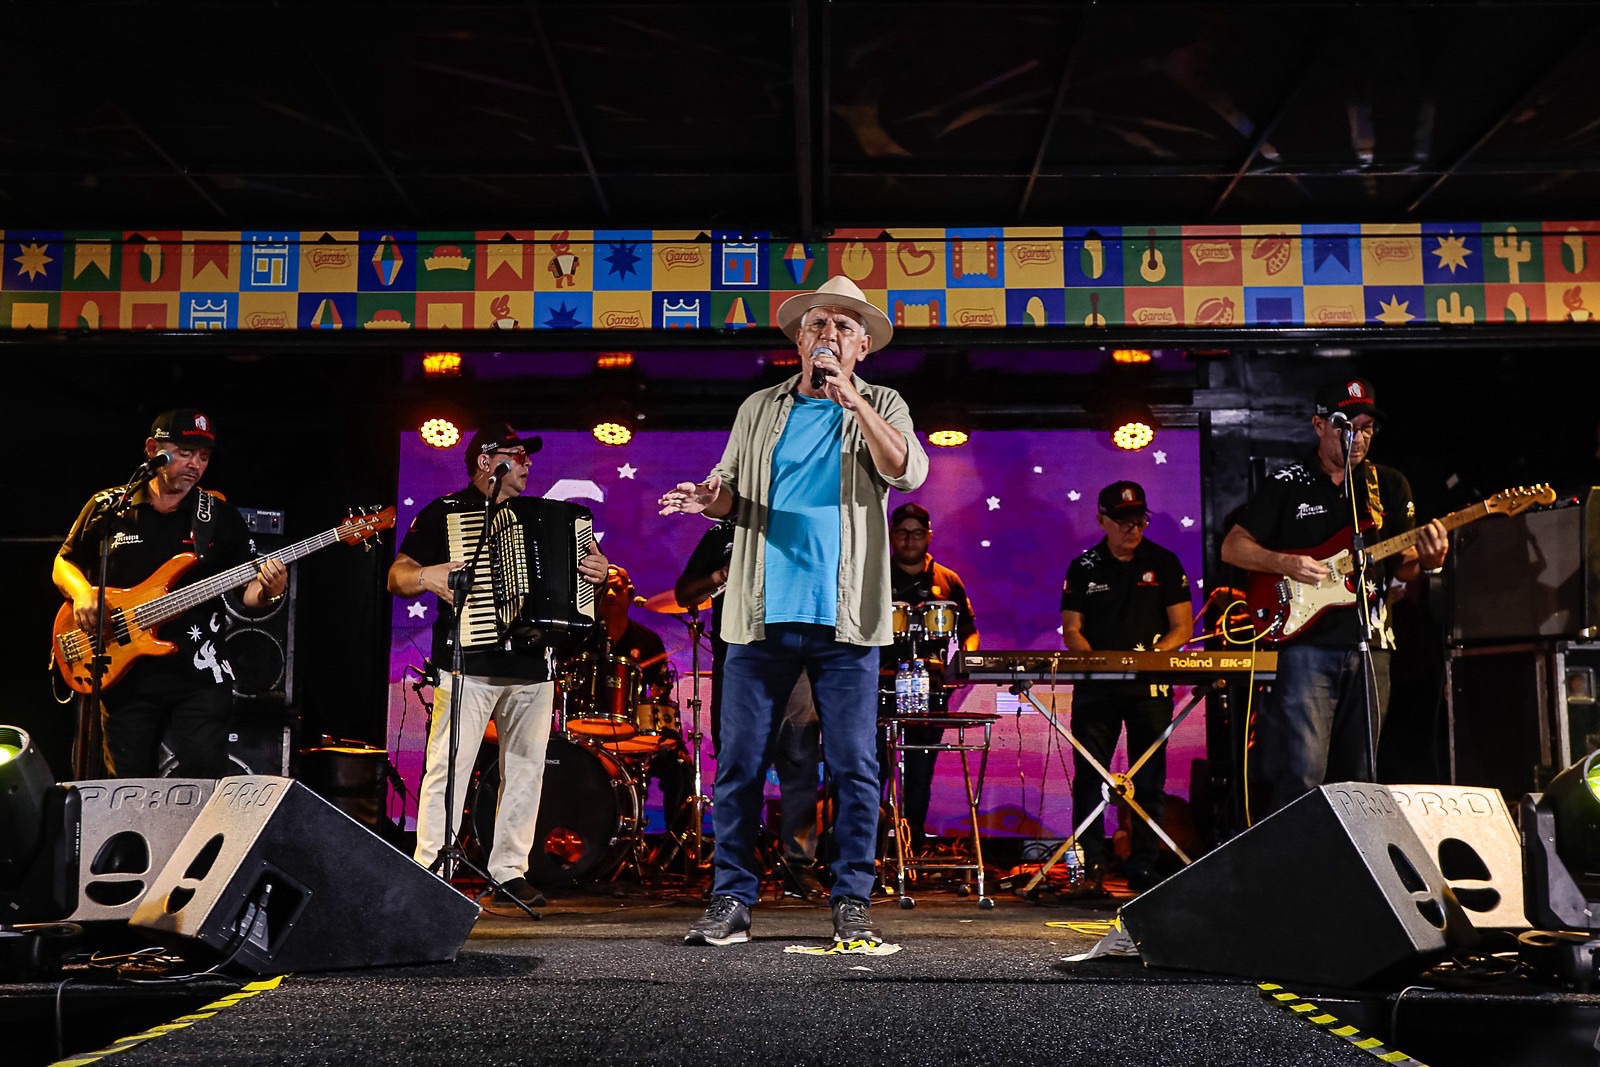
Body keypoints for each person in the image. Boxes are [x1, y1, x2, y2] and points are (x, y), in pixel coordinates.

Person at [658, 274, 928, 948]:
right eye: (817, 324)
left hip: (847, 621)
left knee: (855, 766)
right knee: (740, 764)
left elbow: (906, 471)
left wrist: (852, 400)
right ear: (799, 341)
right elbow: (731, 494)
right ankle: (731, 898)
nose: (828, 334)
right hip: (760, 615)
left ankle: (852, 900)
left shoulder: (883, 402)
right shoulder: (759, 408)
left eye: (843, 327)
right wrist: (709, 500)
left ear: (863, 346)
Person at [389, 422, 609, 910]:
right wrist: (426, 576)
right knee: (448, 768)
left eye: (528, 456)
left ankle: (509, 870)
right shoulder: (446, 512)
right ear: (487, 462)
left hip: (535, 665)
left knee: (526, 772)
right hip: (468, 664)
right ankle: (433, 868)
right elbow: (397, 576)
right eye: (517, 455)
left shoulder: (555, 517)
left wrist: (598, 573)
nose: (528, 463)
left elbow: (587, 584)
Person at [1220, 377, 1448, 817]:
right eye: (1347, 427)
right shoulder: (1287, 481)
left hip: (1372, 642)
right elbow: (1233, 547)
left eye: (1366, 429)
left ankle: (1354, 857)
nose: (1357, 438)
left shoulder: (1387, 484)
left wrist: (1431, 561)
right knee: (1303, 771)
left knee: (1362, 774)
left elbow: (1402, 565)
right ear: (1320, 425)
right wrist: (1286, 563)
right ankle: (1297, 855)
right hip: (1307, 643)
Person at [55, 409, 289, 779]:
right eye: (184, 453)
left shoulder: (219, 516)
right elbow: (64, 562)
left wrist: (271, 591)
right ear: (153, 449)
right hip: (123, 671)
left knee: (202, 778)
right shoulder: (109, 507)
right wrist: (83, 593)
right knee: (127, 785)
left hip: (199, 675)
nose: (195, 464)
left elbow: (249, 593)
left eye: (204, 457)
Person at [675, 519, 826, 901]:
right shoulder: (722, 533)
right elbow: (684, 593)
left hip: (796, 657)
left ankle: (799, 865)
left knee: (800, 764)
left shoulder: (798, 521)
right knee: (738, 765)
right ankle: (736, 865)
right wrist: (721, 574)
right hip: (739, 659)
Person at [1059, 481, 1193, 893]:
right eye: (1123, 521)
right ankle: (1090, 867)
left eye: (1139, 520)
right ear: (1102, 520)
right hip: (1096, 687)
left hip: (1149, 686)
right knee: (1090, 778)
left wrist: (1151, 659)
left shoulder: (1164, 562)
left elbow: (1182, 627)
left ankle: (1144, 867)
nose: (1132, 529)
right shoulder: (1083, 566)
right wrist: (1097, 664)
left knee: (1149, 780)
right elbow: (1072, 629)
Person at [883, 501, 980, 854]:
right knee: (874, 768)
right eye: (902, 532)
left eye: (916, 533)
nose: (909, 539)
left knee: (920, 769)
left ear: (929, 536)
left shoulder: (948, 579)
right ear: (892, 535)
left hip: (932, 688)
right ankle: (872, 846)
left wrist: (962, 663)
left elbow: (969, 631)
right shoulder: (875, 575)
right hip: (880, 685)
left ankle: (913, 844)